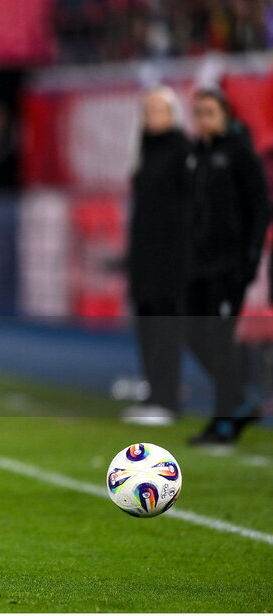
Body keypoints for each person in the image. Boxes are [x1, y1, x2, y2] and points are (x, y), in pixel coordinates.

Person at [185, 87, 270, 446]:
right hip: (196, 265)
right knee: (193, 334)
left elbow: (261, 208)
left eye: (210, 113)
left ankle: (223, 422)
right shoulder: (195, 156)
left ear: (225, 116)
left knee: (220, 338)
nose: (204, 119)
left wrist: (249, 258)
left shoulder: (239, 154)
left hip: (229, 265)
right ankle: (238, 400)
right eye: (199, 112)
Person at [122, 86, 192, 426]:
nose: (151, 117)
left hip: (170, 256)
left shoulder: (182, 150)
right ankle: (153, 393)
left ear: (173, 113)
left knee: (166, 327)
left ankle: (168, 397)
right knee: (146, 325)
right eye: (147, 110)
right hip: (144, 256)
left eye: (158, 110)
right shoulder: (145, 150)